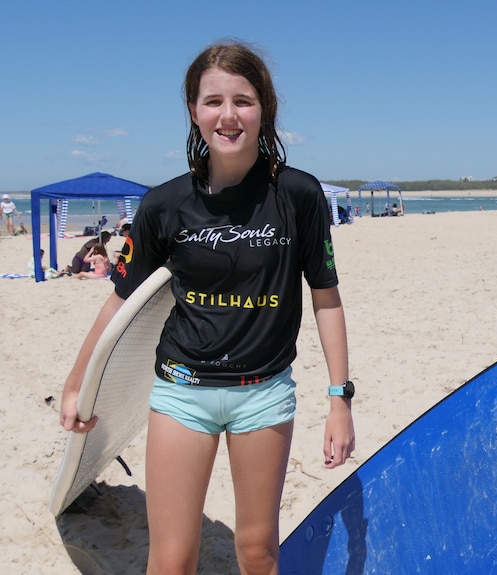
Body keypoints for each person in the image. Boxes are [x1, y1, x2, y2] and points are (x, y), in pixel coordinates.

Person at [59, 42, 355, 575]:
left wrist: (339, 398)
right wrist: (80, 379)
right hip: (181, 393)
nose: (228, 114)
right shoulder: (163, 205)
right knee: (172, 559)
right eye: (212, 100)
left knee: (258, 552)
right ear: (194, 112)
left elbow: (326, 297)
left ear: (263, 109)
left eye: (242, 100)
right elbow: (120, 300)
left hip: (262, 395)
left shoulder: (300, 196)